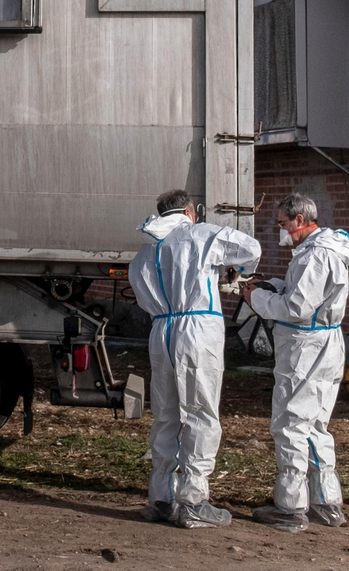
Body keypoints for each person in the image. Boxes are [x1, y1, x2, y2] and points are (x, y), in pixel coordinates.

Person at [128, 187, 261, 529]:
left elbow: (142, 293)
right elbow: (250, 248)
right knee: (200, 413)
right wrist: (238, 270)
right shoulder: (200, 234)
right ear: (189, 212)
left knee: (166, 414)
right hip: (198, 326)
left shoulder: (145, 251)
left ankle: (162, 496)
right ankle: (194, 500)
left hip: (161, 330)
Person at [242, 194, 349, 533]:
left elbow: (296, 307)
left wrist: (257, 297)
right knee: (315, 424)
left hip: (305, 346)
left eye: (282, 224)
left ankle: (291, 506)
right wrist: (273, 286)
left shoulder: (316, 256)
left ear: (299, 219)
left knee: (292, 422)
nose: (281, 231)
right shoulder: (325, 250)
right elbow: (304, 295)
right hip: (324, 342)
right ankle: (326, 501)